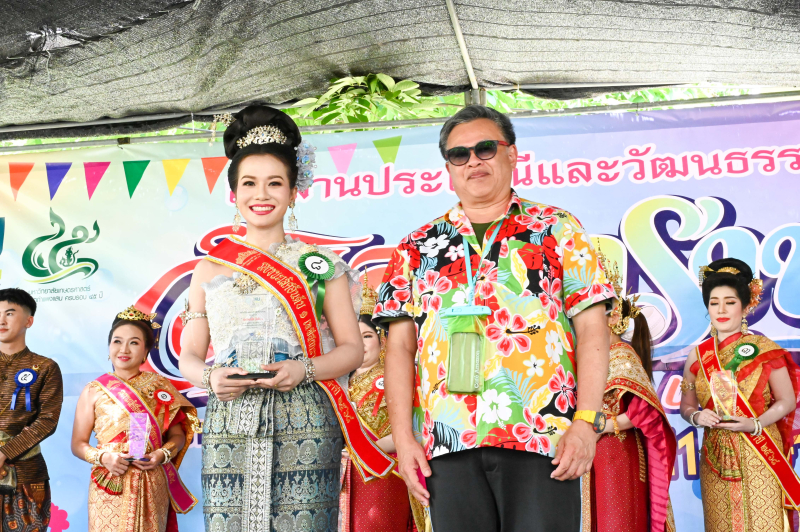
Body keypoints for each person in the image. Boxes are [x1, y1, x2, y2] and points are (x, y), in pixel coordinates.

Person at [373, 105, 616, 532]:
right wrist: (405, 439)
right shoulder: (416, 246)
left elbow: (593, 330)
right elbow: (399, 349)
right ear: (448, 167)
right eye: (459, 154)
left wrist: (585, 423)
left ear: (512, 154)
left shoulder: (558, 228)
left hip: (543, 435)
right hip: (447, 440)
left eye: (485, 148)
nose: (473, 162)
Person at [178, 105, 393, 532]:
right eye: (249, 183)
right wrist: (209, 378)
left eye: (275, 183)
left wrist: (304, 369)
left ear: (294, 192)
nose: (261, 194)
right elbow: (189, 354)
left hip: (306, 415)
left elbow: (351, 351)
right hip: (230, 417)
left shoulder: (320, 264)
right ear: (234, 193)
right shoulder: (208, 268)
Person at [680, 257, 800, 532]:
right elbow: (686, 405)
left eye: (730, 302)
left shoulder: (765, 350)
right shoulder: (697, 356)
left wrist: (755, 423)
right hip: (715, 459)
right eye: (714, 302)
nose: (721, 310)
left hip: (759, 452)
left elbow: (787, 400)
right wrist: (696, 416)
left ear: (746, 307)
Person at [71, 306, 198, 532]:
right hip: (109, 480)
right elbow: (78, 444)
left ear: (146, 350)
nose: (124, 349)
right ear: (109, 347)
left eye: (134, 342)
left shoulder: (161, 387)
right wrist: (103, 457)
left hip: (152, 479)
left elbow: (178, 436)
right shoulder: (93, 390)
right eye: (117, 341)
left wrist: (162, 454)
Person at [583, 253, 676, 532]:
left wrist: (601, 427)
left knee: (617, 523)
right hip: (591, 449)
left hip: (617, 451)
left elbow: (644, 412)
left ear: (613, 316)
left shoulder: (621, 354)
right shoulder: (587, 358)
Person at [339, 275, 424, 532]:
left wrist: (366, 451)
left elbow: (417, 429)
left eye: (366, 336)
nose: (361, 344)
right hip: (342, 477)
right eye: (354, 338)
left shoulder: (396, 379)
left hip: (384, 472)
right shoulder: (337, 385)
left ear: (382, 340)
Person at [0, 288, 63, 532]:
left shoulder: (45, 367)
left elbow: (47, 420)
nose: (1, 320)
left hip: (26, 476)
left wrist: (5, 452)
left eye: (9, 313)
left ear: (29, 321)